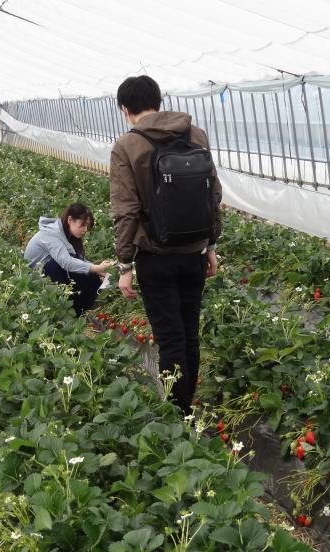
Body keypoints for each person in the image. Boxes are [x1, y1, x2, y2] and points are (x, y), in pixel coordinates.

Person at [110, 75, 222, 415]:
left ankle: (178, 414)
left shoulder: (127, 145)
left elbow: (126, 211)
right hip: (194, 252)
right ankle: (185, 408)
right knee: (189, 332)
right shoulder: (194, 133)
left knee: (170, 337)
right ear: (158, 101)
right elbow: (213, 194)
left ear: (125, 109)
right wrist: (211, 245)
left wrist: (125, 265)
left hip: (155, 257)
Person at [24, 203, 114, 315]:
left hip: (47, 274)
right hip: (34, 279)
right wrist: (95, 268)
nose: (85, 229)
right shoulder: (51, 233)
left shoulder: (64, 232)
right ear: (70, 220)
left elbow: (76, 257)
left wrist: (99, 270)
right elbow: (66, 262)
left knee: (91, 277)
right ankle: (77, 312)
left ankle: (82, 312)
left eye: (87, 226)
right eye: (82, 225)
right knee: (82, 274)